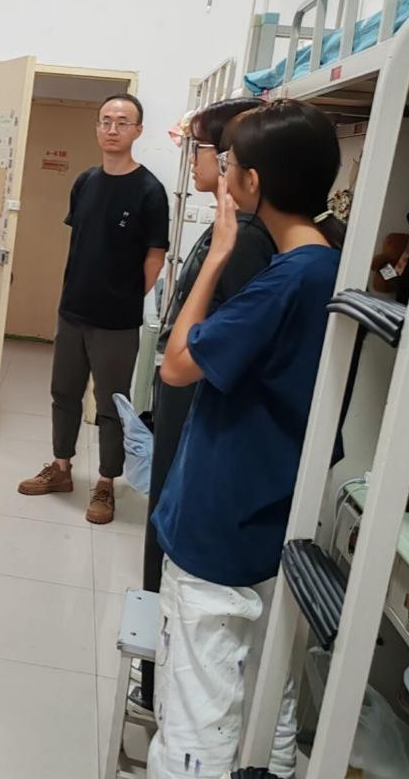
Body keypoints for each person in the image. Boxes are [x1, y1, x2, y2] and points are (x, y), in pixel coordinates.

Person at [147, 100, 345, 779]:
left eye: (228, 162)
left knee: (196, 716)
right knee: (268, 699)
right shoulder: (327, 265)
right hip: (270, 511)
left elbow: (177, 366)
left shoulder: (285, 280)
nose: (222, 172)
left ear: (252, 182)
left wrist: (217, 256)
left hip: (220, 521)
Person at [137, 98, 274, 709]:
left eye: (201, 149)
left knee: (172, 544)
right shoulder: (227, 231)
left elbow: (211, 350)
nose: (193, 160)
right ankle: (155, 678)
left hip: (195, 407)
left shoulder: (243, 244)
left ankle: (161, 688)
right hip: (181, 404)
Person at [17, 93, 169, 525]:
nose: (112, 129)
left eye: (122, 122)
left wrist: (126, 297)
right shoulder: (85, 181)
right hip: (72, 311)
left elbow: (155, 255)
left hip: (116, 321)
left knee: (110, 405)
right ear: (97, 127)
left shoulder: (150, 190)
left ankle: (106, 483)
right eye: (105, 120)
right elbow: (83, 243)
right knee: (63, 393)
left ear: (138, 131)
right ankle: (61, 468)